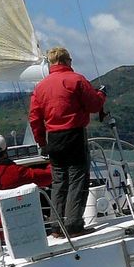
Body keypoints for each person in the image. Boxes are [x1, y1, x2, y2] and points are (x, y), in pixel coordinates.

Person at [28, 46, 107, 235]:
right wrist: (102, 94)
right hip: (74, 135)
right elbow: (94, 105)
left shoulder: (40, 87)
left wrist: (41, 142)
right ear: (67, 61)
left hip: (53, 138)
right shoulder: (76, 80)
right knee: (77, 180)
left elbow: (34, 118)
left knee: (59, 182)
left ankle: (56, 226)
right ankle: (73, 225)